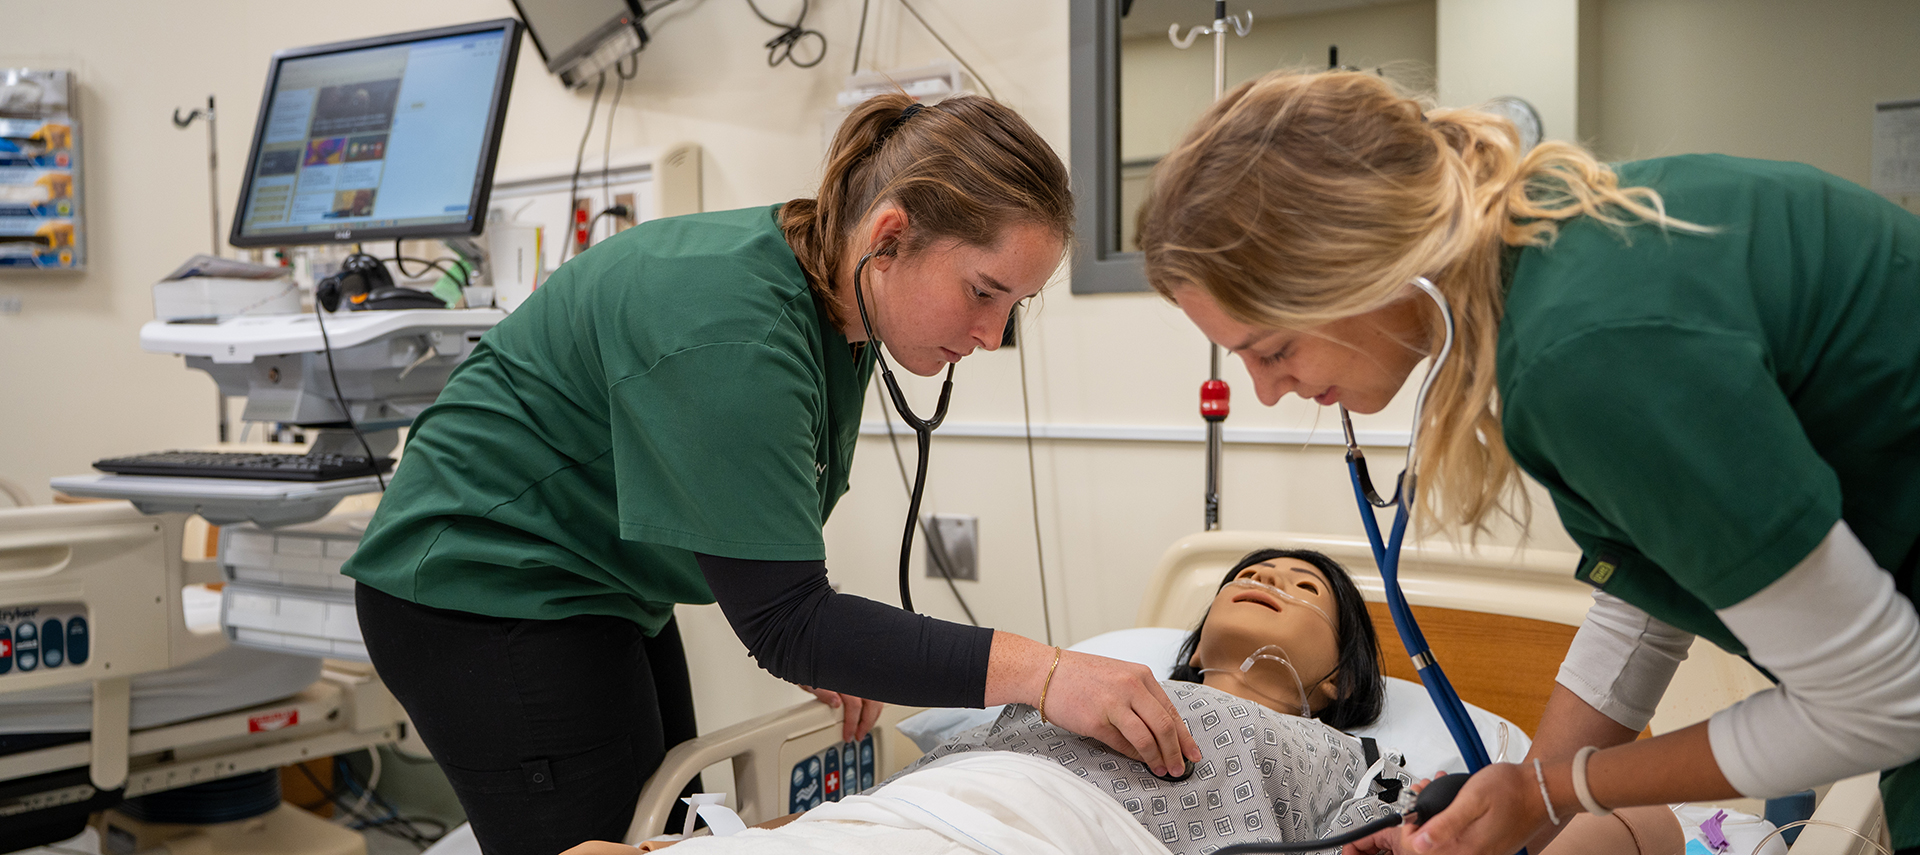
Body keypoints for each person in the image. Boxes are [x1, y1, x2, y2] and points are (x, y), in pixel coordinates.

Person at [343, 93, 1200, 855]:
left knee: (662, 829)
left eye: (1014, 305)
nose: (990, 335)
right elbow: (788, 619)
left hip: (596, 584)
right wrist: (1048, 674)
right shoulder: (736, 328)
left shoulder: (834, 302)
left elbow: (766, 564)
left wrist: (831, 637)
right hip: (479, 586)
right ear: (888, 236)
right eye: (983, 291)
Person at [1135, 68, 1920, 855]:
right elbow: (1645, 599)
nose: (1267, 391)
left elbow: (1882, 702)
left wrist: (1554, 790)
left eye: (1272, 350)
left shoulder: (1585, 353)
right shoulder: (1572, 259)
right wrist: (1524, 809)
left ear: (1357, 264)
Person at [562, 548, 1681, 855]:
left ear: (1345, 680)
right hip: (919, 816)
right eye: (1252, 571)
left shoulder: (1351, 764)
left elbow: (1645, 829)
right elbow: (932, 784)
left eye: (1304, 589)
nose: (1268, 576)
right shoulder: (1086, 683)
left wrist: (1544, 795)